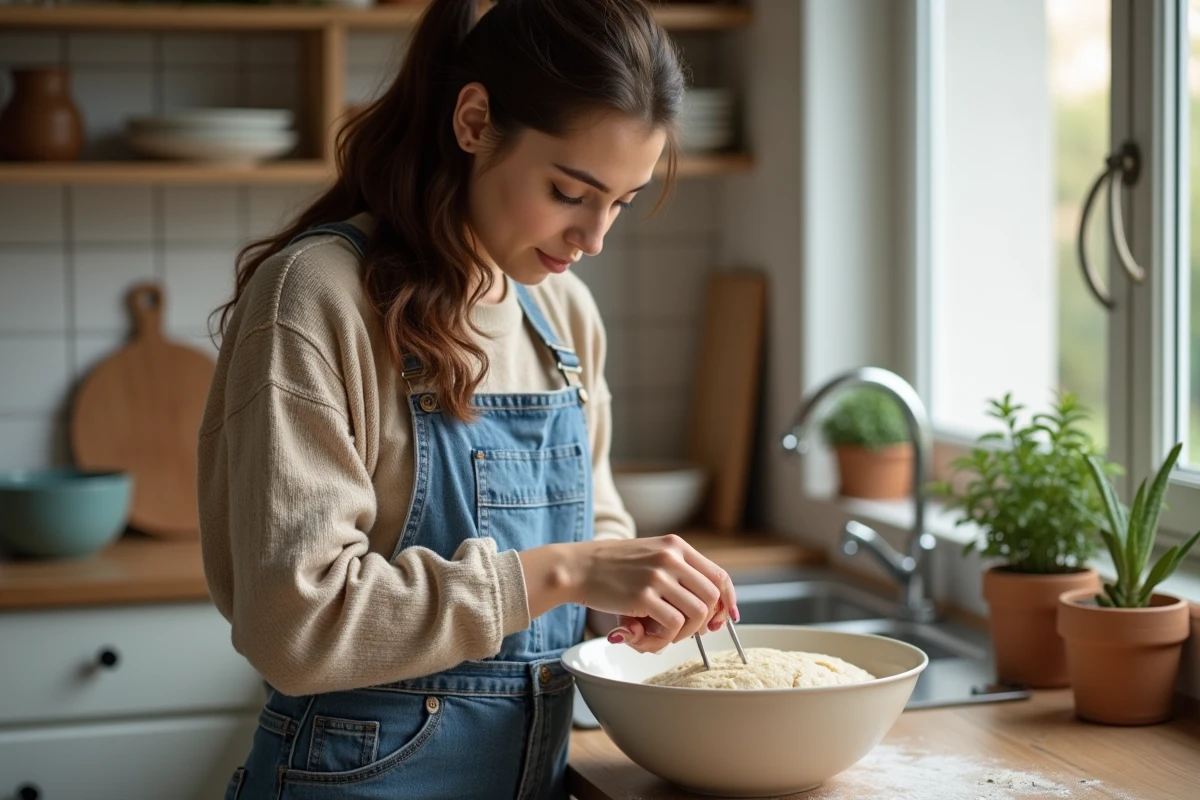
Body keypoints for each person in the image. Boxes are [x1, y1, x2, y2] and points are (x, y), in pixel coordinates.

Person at [198, 1, 739, 797]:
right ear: (476, 120)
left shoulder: (561, 314)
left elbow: (595, 523)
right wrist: (562, 574)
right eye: (569, 191)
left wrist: (635, 600)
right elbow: (297, 626)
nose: (594, 239)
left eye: (620, 203)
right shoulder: (316, 298)